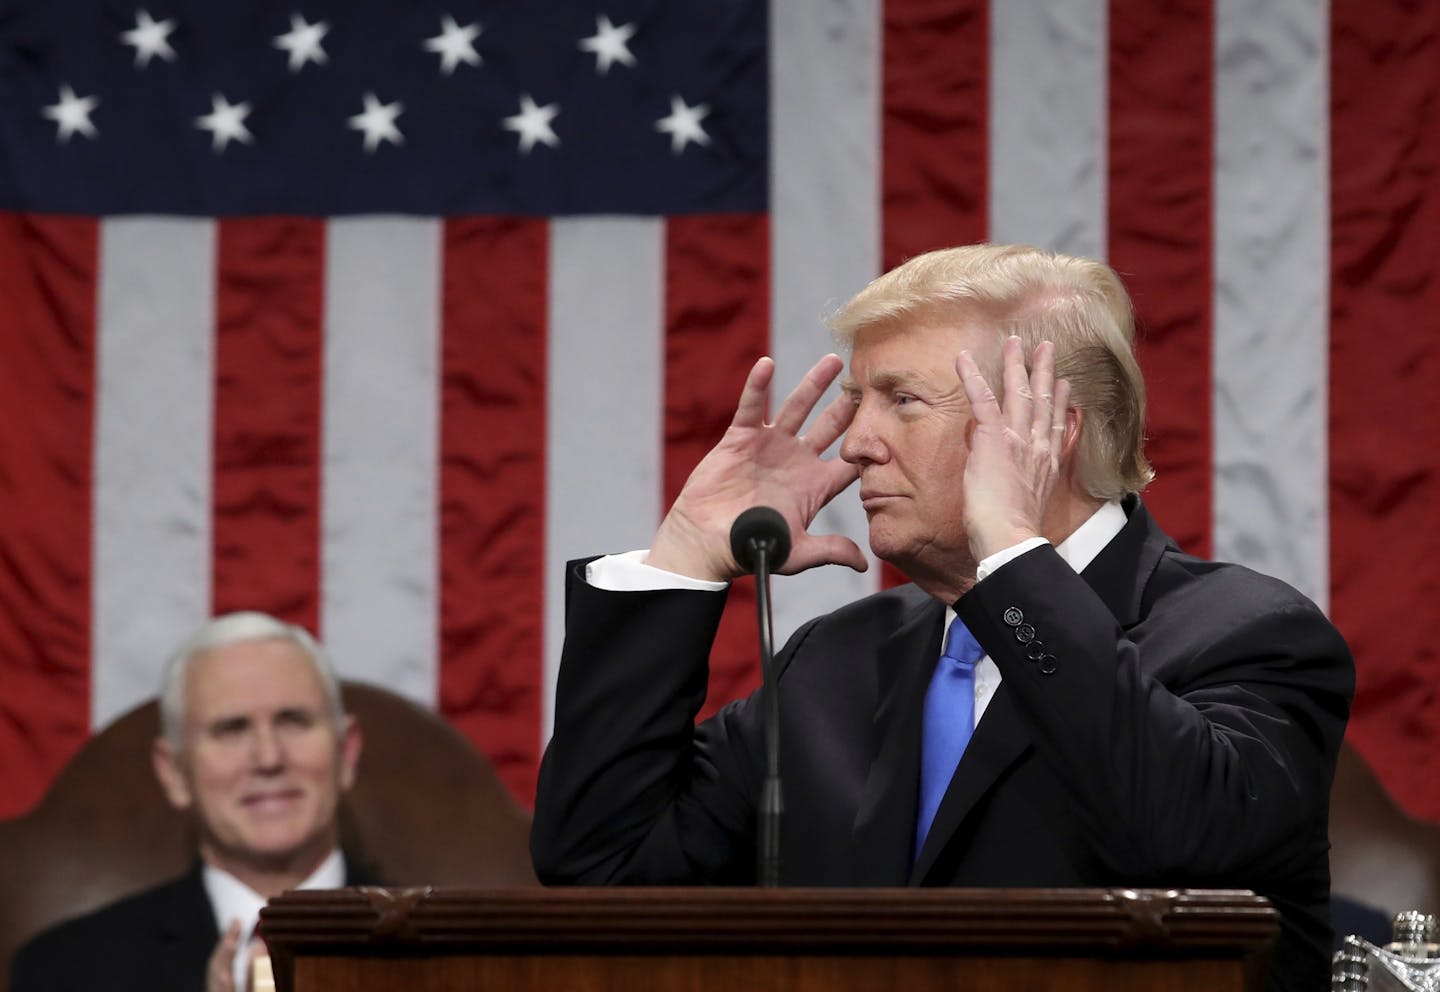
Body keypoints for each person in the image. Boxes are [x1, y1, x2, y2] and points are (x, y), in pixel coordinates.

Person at [530, 243, 1354, 992]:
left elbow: (1187, 843)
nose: (855, 444)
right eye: (858, 399)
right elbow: (603, 868)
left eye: (903, 401)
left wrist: (1013, 555)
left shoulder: (1250, 634)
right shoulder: (838, 661)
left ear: (1046, 432)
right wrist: (683, 557)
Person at [11, 611, 371, 992]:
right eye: (230, 729)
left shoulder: (437, 951)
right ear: (175, 774)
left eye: (293, 721)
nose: (269, 758)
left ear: (345, 753)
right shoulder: (66, 969)